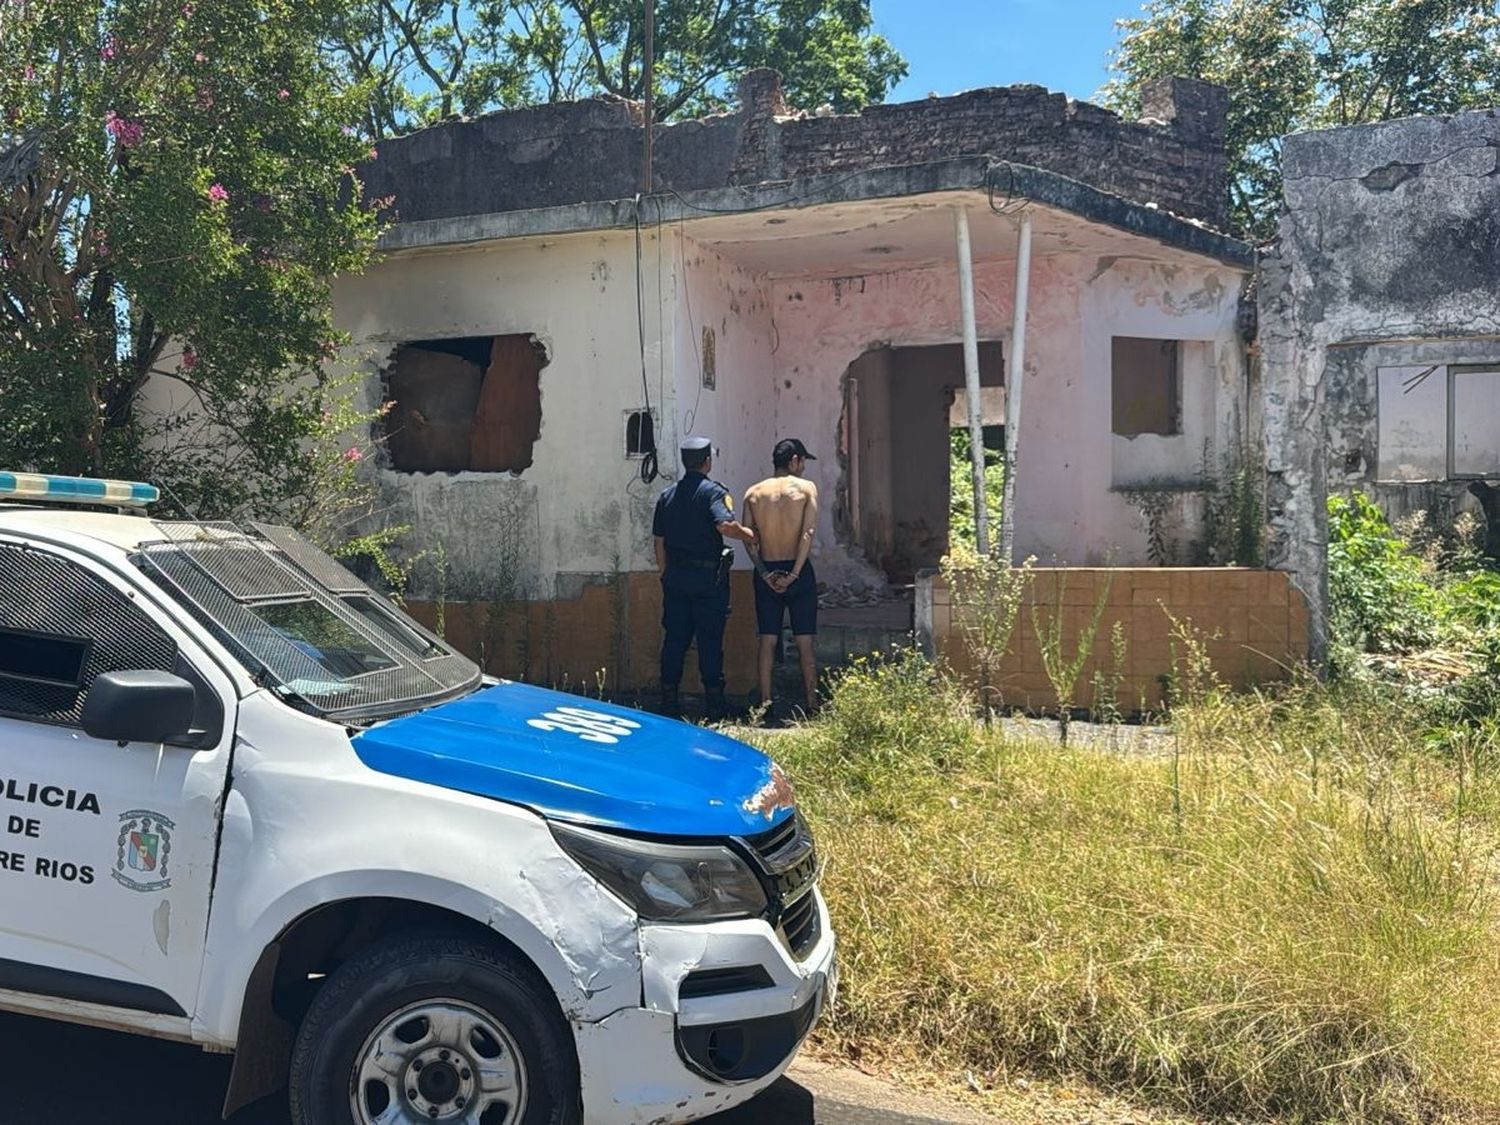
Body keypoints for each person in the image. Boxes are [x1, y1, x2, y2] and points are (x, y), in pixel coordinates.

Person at [653, 436, 757, 721]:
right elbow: (724, 525)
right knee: (710, 640)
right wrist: (749, 534)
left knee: (675, 640)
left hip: (675, 578)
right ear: (707, 461)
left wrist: (664, 572)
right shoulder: (713, 493)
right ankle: (714, 704)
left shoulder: (667, 495)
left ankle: (669, 701)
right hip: (706, 580)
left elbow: (658, 540)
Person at [743, 438, 820, 720]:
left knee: (767, 640)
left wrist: (764, 573)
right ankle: (812, 703)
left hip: (767, 571)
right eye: (802, 462)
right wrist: (795, 574)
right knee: (805, 641)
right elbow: (807, 534)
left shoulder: (753, 493)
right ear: (795, 460)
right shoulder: (806, 489)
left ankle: (764, 706)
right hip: (796, 569)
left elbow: (748, 539)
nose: (803, 468)